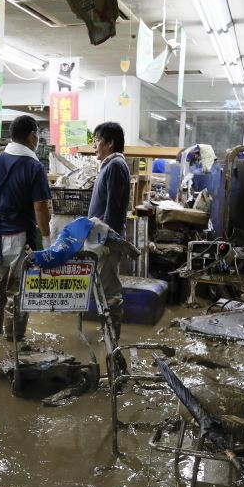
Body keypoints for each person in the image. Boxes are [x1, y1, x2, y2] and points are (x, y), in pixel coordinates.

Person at [0, 114, 51, 339]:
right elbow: (40, 207)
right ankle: (13, 336)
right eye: (37, 136)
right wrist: (47, 238)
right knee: (18, 290)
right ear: (32, 136)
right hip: (21, 236)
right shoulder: (34, 167)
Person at [88, 121, 130, 334]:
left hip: (107, 240)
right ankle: (108, 336)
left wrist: (105, 239)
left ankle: (112, 341)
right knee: (105, 289)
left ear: (110, 143)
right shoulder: (110, 166)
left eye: (97, 141)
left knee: (110, 291)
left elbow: (113, 208)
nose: (94, 145)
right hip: (103, 238)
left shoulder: (115, 166)